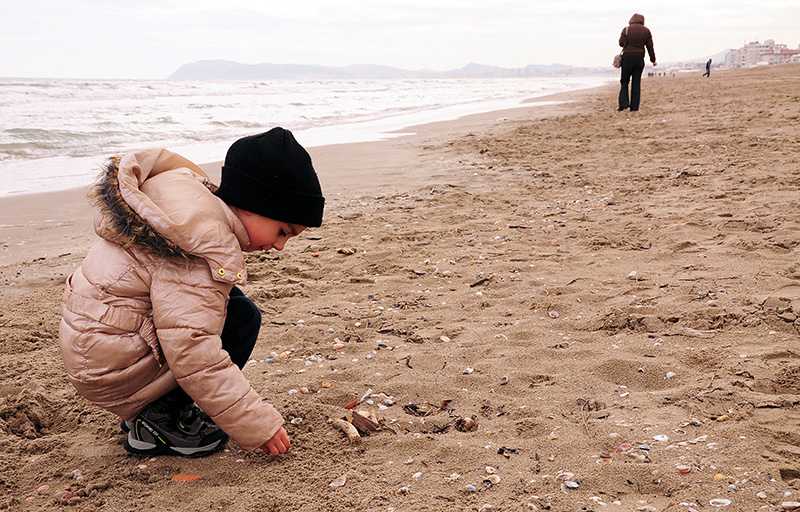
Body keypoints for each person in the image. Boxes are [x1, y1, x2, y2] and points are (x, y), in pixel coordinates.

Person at [59, 127, 325, 457]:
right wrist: (257, 424)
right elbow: (193, 349)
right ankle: (157, 420)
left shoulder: (185, 206)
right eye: (283, 230)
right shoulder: (200, 243)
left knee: (227, 305)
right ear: (254, 203)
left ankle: (150, 411)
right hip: (109, 368)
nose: (281, 246)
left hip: (97, 349)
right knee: (240, 319)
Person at [618, 13, 657, 112]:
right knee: (636, 82)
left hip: (627, 58)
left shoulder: (626, 29)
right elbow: (650, 47)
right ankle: (634, 107)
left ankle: (623, 104)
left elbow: (621, 43)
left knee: (624, 81)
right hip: (639, 59)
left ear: (631, 20)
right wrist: (653, 60)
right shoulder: (646, 31)